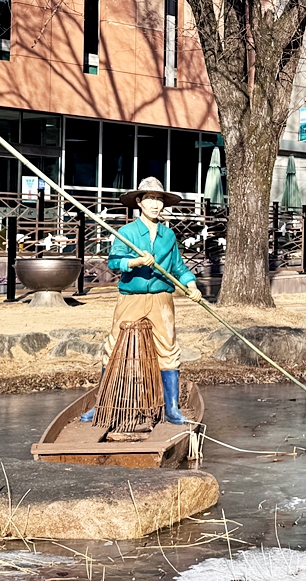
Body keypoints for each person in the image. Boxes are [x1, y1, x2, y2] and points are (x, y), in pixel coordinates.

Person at [81, 177, 203, 425]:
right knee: (114, 347)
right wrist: (135, 262)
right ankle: (102, 404)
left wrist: (191, 284)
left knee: (168, 349)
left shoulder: (168, 235)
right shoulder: (126, 233)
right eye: (149, 199)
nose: (155, 204)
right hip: (131, 298)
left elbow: (179, 267)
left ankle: (171, 409)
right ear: (139, 202)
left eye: (159, 199)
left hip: (161, 298)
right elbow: (114, 262)